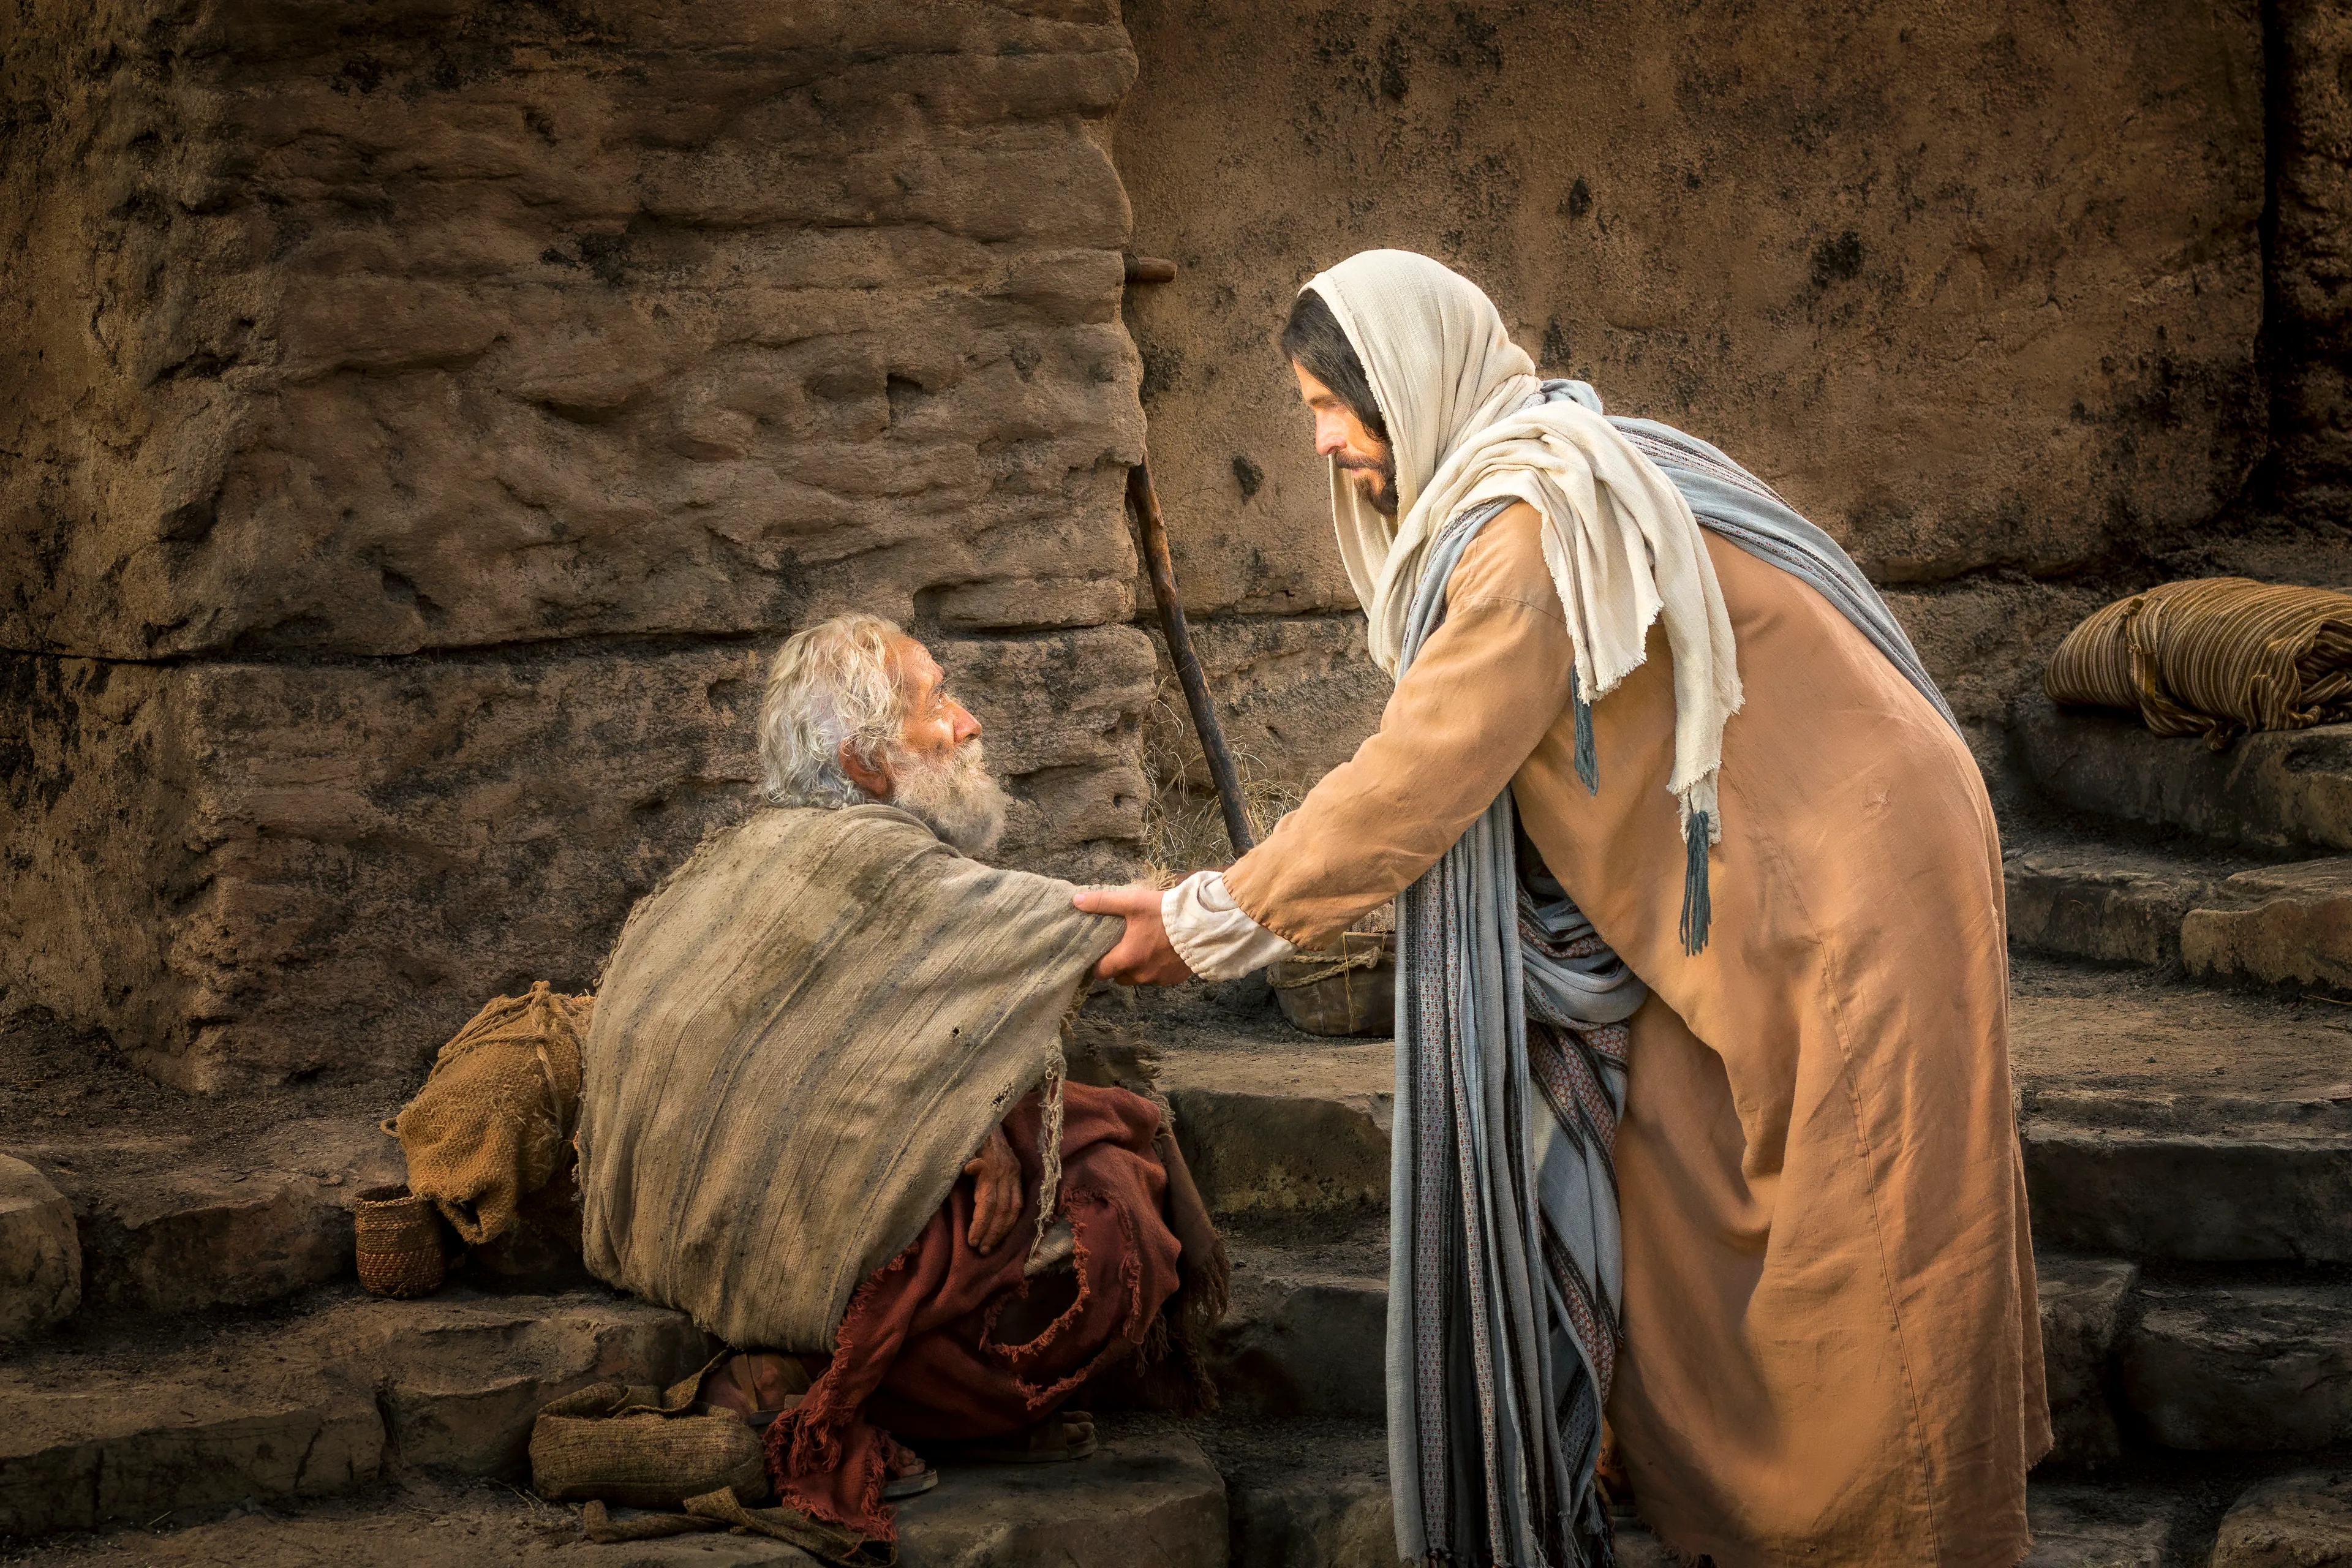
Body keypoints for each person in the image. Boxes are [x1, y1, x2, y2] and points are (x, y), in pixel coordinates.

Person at [1077, 251, 2048, 1567]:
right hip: (1775, 874)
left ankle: (1915, 1532)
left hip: (1863, 876)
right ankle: (1752, 1512)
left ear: (1409, 389)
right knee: (1681, 1161)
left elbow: (1411, 783)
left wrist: (1202, 917)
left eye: (1336, 406)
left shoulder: (1524, 529)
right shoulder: (1543, 476)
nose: (1322, 441)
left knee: (1873, 1222)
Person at [578, 613, 1224, 1558]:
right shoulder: (889, 877)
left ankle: (789, 1356)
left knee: (1062, 1123)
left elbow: (853, 1061)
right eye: (937, 703)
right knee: (1116, 1196)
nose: (968, 725)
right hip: (807, 1263)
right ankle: (840, 1374)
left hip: (664, 1255)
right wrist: (1244, 907)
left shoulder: (721, 871)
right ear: (865, 764)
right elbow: (1103, 928)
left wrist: (967, 1127)